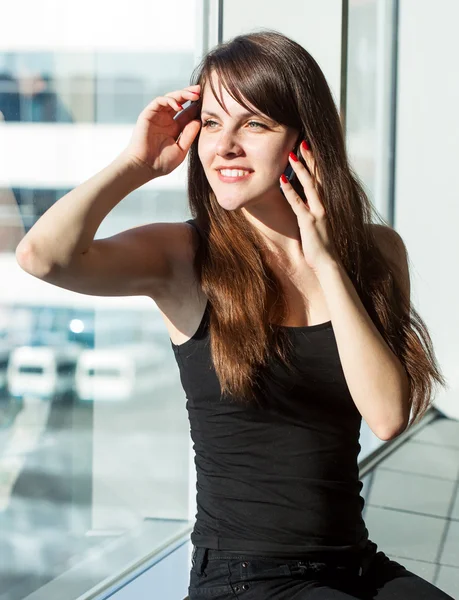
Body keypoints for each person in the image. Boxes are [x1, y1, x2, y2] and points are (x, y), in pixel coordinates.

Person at [16, 29, 450, 599]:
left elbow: (388, 416)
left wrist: (326, 263)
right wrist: (136, 163)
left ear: (305, 140)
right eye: (213, 123)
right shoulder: (184, 258)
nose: (225, 147)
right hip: (245, 579)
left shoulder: (377, 252)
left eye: (254, 124)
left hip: (355, 563)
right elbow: (41, 257)